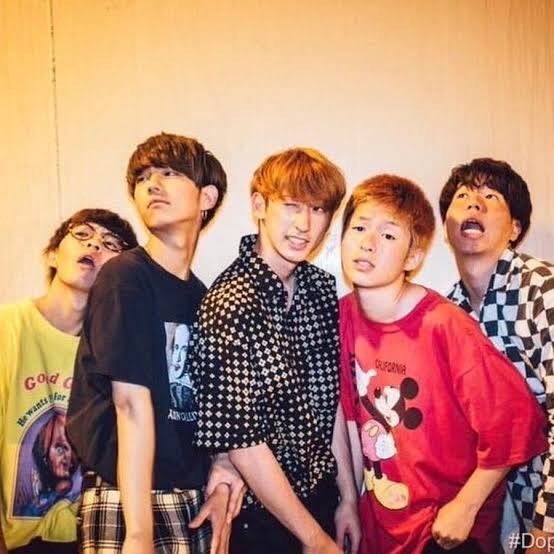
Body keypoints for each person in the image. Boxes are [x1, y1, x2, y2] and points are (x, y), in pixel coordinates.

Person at [338, 174, 547, 554]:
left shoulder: (444, 323)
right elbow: (349, 421)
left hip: (447, 532)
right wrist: (348, 502)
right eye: (359, 227)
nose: (368, 243)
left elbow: (517, 419)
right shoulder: (343, 317)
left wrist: (465, 507)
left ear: (413, 257)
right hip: (381, 528)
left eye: (388, 235)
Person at [66, 133, 242, 554]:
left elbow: (215, 410)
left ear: (207, 197)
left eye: (169, 173)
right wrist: (139, 533)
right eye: (143, 178)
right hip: (128, 497)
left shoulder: (203, 297)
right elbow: (129, 404)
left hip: (187, 496)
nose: (152, 185)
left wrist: (221, 475)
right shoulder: (125, 275)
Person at [190, 147, 361, 554]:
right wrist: (314, 539)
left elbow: (329, 402)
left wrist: (348, 499)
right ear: (259, 206)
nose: (304, 224)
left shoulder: (320, 288)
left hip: (322, 497)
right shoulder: (230, 303)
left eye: (318, 209)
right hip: (260, 517)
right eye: (291, 206)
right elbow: (242, 443)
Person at [0, 208, 137, 554]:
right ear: (51, 254)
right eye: (82, 234)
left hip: (94, 535)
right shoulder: (9, 328)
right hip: (16, 540)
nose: (95, 244)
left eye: (111, 244)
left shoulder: (117, 346)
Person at [439, 158, 554, 553]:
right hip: (517, 509)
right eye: (463, 196)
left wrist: (546, 534)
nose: (474, 203)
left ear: (515, 229)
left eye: (491, 197)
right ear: (446, 225)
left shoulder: (544, 291)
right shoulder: (449, 311)